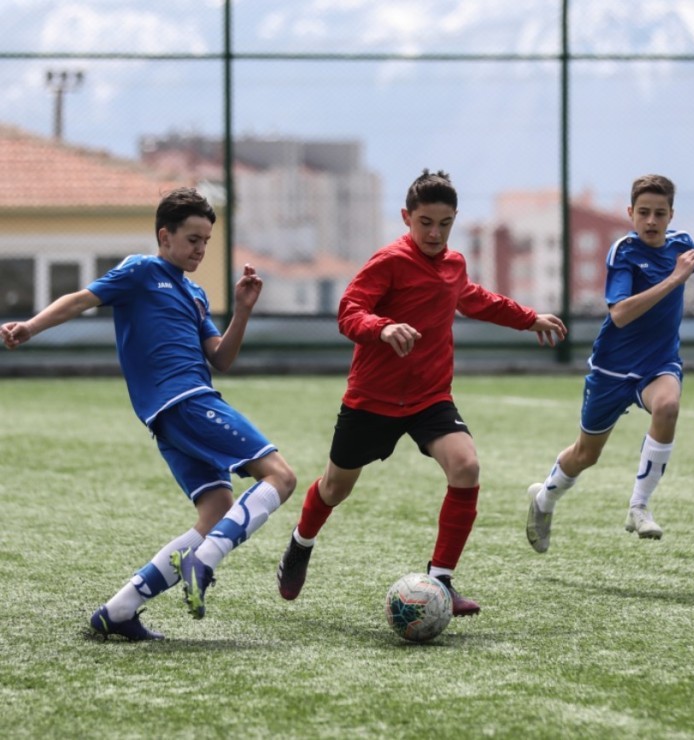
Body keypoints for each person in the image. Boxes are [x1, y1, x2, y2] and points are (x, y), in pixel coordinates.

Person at [1, 187, 296, 640]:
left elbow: (221, 358)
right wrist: (30, 326)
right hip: (186, 403)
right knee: (281, 477)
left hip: (170, 420)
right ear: (164, 236)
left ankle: (118, 611)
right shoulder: (141, 271)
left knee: (217, 510)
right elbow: (80, 299)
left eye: (206, 241)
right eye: (193, 239)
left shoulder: (195, 294)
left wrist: (242, 310)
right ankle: (204, 561)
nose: (200, 249)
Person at [276, 169, 567, 616]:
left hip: (430, 397)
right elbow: (349, 311)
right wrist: (382, 327)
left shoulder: (454, 264)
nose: (435, 233)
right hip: (373, 398)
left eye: (444, 223)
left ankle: (441, 580)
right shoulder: (388, 261)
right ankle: (301, 544)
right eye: (425, 222)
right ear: (406, 217)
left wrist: (529, 318)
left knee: (466, 466)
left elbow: (474, 298)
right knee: (335, 487)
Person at [526, 173, 694, 553]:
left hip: (658, 364)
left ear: (670, 215)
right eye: (643, 212)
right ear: (630, 213)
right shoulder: (623, 252)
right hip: (612, 370)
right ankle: (544, 499)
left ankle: (639, 506)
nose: (650, 220)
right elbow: (620, 314)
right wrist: (675, 279)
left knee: (668, 406)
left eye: (659, 213)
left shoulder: (680, 245)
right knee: (586, 454)